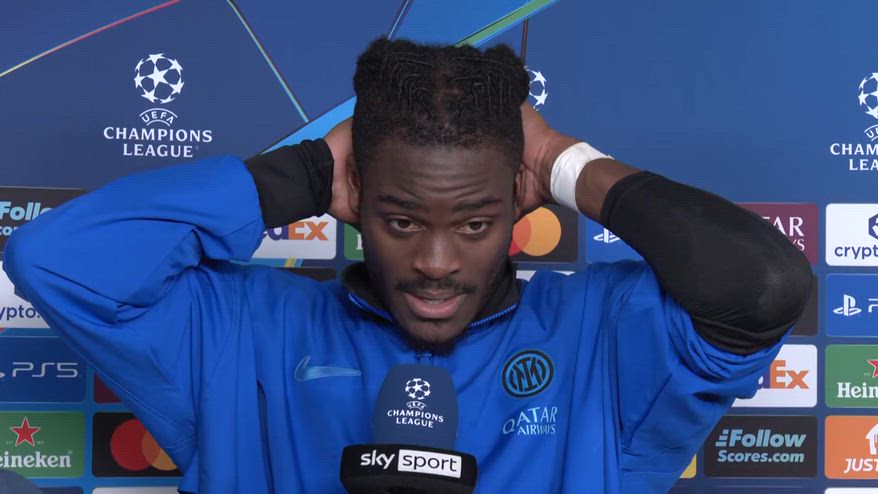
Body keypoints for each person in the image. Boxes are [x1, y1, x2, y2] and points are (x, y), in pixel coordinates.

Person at [3, 38, 811, 493]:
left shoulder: (602, 338)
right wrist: (305, 172)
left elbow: (764, 287)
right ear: (354, 195)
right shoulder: (242, 330)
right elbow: (54, 259)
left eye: (475, 223)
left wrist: (562, 163)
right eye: (400, 220)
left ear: (519, 203)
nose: (435, 262)